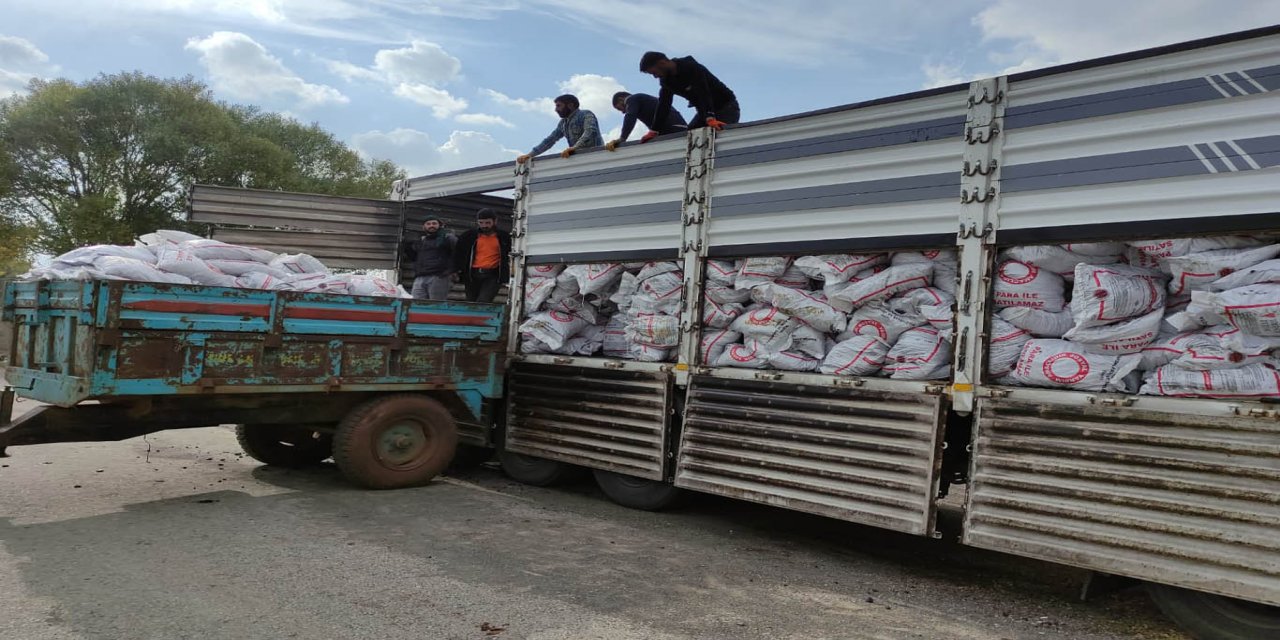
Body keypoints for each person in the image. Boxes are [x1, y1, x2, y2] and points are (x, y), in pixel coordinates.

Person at [639, 51, 740, 132]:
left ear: (662, 63)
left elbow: (703, 92)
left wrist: (710, 117)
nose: (655, 76)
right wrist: (654, 130)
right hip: (703, 112)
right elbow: (664, 105)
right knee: (689, 137)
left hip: (726, 107)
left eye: (654, 72)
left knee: (717, 134)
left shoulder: (690, 67)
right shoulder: (666, 81)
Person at [516, 94, 602, 163]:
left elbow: (590, 131)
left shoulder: (586, 114)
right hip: (579, 160)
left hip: (597, 157)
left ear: (570, 105)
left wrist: (575, 147)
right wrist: (529, 155)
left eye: (559, 106)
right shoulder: (563, 123)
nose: (556, 109)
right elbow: (550, 140)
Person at [453, 208, 512, 303]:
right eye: (481, 223)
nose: (484, 226)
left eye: (488, 223)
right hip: (472, 274)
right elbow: (458, 254)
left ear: (495, 221)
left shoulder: (504, 237)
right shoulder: (468, 236)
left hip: (493, 274)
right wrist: (456, 270)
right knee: (471, 302)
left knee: (483, 301)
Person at [604, 91, 688, 151]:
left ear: (621, 99)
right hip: (679, 129)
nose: (623, 112)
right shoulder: (643, 100)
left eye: (619, 108)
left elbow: (630, 116)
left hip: (673, 130)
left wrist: (622, 139)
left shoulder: (632, 99)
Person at [400, 216, 456, 300]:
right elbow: (414, 257)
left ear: (440, 225)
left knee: (436, 305)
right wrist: (406, 246)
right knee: (416, 304)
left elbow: (459, 253)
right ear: (424, 227)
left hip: (439, 277)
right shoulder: (421, 241)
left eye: (434, 223)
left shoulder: (447, 238)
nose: (431, 226)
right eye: (428, 224)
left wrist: (451, 271)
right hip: (420, 277)